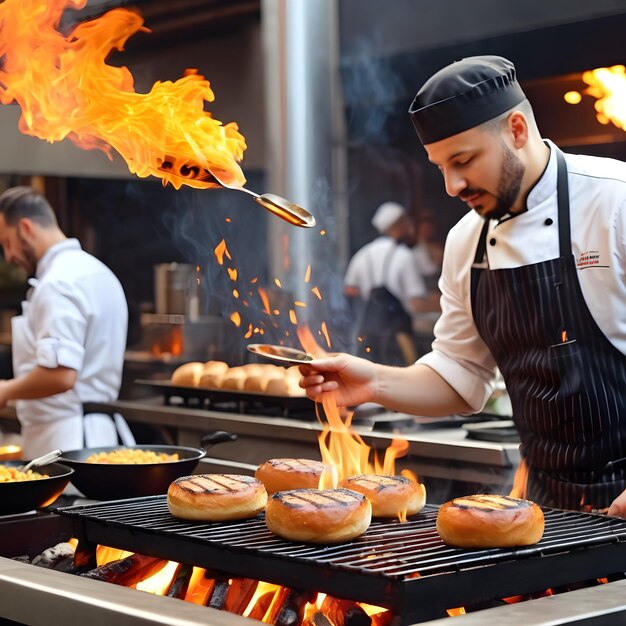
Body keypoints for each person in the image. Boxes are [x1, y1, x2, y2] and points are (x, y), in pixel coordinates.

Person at [300, 55, 626, 516]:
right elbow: (461, 377)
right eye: (440, 168)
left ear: (516, 130)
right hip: (545, 509)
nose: (453, 186)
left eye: (464, 160)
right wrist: (373, 380)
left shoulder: (616, 201)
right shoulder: (466, 240)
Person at [0, 186, 135, 458]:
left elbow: (60, 375)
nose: (9, 256)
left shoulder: (57, 282)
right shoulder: (96, 271)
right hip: (96, 434)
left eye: (6, 243)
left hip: (67, 443)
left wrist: (4, 390)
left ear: (25, 228)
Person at [344, 201, 439, 365]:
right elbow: (415, 304)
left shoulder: (363, 254)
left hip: (367, 334)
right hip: (397, 339)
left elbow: (350, 289)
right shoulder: (404, 255)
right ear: (399, 225)